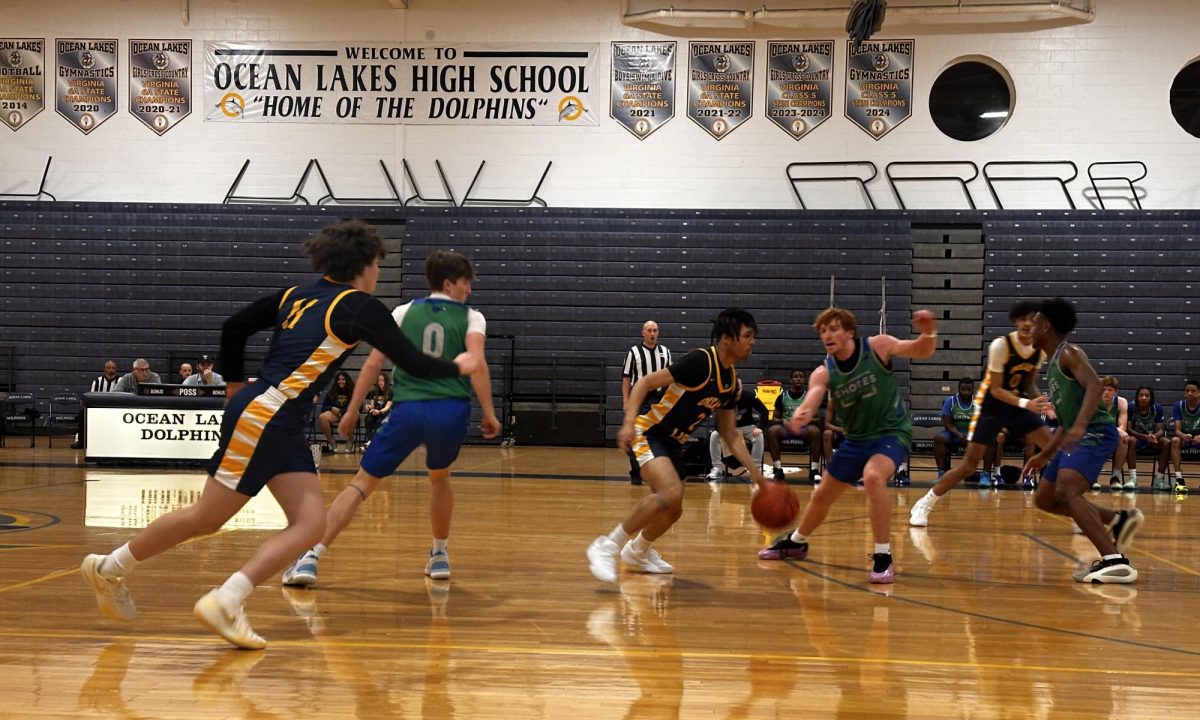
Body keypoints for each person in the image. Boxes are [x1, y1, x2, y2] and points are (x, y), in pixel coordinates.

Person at [79, 219, 478, 650]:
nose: (379, 273)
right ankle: (153, 578)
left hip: (276, 418)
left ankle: (188, 587)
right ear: (364, 264)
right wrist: (459, 366)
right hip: (269, 417)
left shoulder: (296, 294)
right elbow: (412, 362)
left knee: (309, 524)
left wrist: (234, 389)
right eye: (378, 264)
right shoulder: (361, 306)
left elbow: (234, 328)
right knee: (208, 516)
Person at [283, 249, 500, 587]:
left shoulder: (402, 313)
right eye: (466, 283)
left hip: (408, 410)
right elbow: (478, 363)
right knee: (440, 479)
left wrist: (353, 409)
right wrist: (488, 412)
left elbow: (373, 364)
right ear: (449, 283)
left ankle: (311, 557)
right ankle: (439, 554)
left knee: (361, 484)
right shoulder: (473, 318)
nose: (469, 290)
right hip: (450, 411)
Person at [758, 306, 937, 584]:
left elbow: (921, 350)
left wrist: (928, 332)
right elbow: (814, 395)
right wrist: (803, 411)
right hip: (857, 439)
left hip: (891, 432)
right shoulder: (824, 371)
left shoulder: (878, 346)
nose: (827, 335)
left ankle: (883, 555)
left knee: (874, 477)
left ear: (850, 331)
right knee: (821, 497)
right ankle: (797, 542)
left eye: (833, 329)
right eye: (822, 331)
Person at [588, 308, 761, 583]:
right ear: (727, 339)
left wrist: (756, 473)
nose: (753, 342)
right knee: (670, 492)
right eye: (748, 336)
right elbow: (644, 382)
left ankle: (639, 551)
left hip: (672, 442)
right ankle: (607, 546)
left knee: (674, 507)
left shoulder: (729, 380)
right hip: (650, 431)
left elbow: (729, 432)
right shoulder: (700, 361)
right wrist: (628, 421)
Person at [1021, 297, 1142, 584]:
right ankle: (1117, 520)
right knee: (1045, 498)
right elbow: (1063, 424)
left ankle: (1114, 561)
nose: (1030, 328)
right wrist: (1044, 454)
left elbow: (1095, 385)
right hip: (1077, 432)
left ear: (1046, 326)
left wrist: (1080, 425)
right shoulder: (1051, 366)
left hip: (1096, 431)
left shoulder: (1068, 354)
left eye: (1035, 323)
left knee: (1067, 490)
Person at [909, 301, 1054, 527]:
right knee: (968, 466)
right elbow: (995, 390)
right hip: (990, 407)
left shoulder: (1040, 350)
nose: (1027, 323)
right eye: (1022, 319)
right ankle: (924, 503)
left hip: (1017, 406)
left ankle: (1074, 507)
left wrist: (1042, 402)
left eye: (1032, 319)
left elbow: (1027, 381)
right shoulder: (1001, 346)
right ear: (1016, 322)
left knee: (1054, 449)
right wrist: (1027, 403)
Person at [621, 320, 672, 485]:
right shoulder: (634, 352)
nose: (652, 333)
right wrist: (626, 401)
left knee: (658, 436)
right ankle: (636, 472)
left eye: (655, 330)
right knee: (634, 436)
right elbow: (626, 378)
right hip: (639, 399)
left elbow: (671, 377)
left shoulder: (665, 352)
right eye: (649, 330)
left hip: (658, 400)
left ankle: (656, 472)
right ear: (643, 333)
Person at [764, 369, 822, 481]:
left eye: (801, 377)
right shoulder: (782, 396)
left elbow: (817, 418)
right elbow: (773, 418)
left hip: (804, 428)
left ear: (805, 380)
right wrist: (783, 421)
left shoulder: (809, 396)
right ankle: (778, 469)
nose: (798, 379)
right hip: (786, 427)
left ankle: (814, 470)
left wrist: (804, 420)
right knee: (772, 431)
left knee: (816, 432)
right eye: (795, 376)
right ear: (791, 380)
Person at [706, 379, 768, 480]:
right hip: (729, 428)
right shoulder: (723, 398)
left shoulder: (749, 396)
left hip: (747, 427)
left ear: (741, 387)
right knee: (714, 436)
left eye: (738, 389)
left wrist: (760, 427)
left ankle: (755, 470)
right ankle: (717, 468)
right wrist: (724, 431)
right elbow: (717, 422)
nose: (736, 392)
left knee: (759, 436)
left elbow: (764, 410)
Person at [1125, 385, 1169, 490]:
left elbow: (1161, 430)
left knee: (1166, 442)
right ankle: (1133, 478)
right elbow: (1129, 429)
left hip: (1152, 439)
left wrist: (1153, 436)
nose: (1144, 398)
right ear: (1137, 397)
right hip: (1138, 438)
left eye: (1147, 395)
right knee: (1130, 440)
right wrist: (1144, 436)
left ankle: (1159, 479)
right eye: (1141, 395)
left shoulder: (1157, 408)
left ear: (1151, 398)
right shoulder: (1131, 407)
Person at [933, 377, 976, 478]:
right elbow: (947, 423)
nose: (966, 392)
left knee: (987, 440)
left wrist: (970, 435)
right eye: (963, 389)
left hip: (972, 434)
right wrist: (958, 434)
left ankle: (984, 474)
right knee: (938, 438)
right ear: (958, 389)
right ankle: (941, 473)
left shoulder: (978, 402)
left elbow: (980, 423)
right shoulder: (950, 401)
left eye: (969, 389)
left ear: (973, 389)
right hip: (954, 433)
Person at [1100, 377, 1130, 491]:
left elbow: (1123, 426)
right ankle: (1092, 478)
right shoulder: (1093, 400)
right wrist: (1117, 430)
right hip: (1095, 433)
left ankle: (1115, 478)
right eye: (1104, 389)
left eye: (1110, 390)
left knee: (1124, 439)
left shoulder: (1121, 402)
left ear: (1115, 392)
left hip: (1110, 434)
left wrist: (1118, 430)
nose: (1106, 392)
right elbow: (1093, 424)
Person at [1170, 379, 1200, 492]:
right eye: (1187, 390)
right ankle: (1179, 479)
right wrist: (1183, 435)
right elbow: (1177, 430)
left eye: (1193, 391)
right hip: (1185, 437)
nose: (1189, 393)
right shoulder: (1179, 405)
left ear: (1199, 393)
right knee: (1175, 440)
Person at [317, 370, 354, 454]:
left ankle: (350, 440)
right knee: (322, 417)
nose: (341, 381)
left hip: (348, 415)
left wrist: (343, 411)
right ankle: (331, 441)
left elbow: (358, 405)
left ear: (347, 380)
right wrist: (331, 408)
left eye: (343, 379)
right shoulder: (331, 392)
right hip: (335, 414)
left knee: (354, 414)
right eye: (339, 379)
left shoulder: (352, 391)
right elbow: (324, 407)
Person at [361, 372, 393, 443]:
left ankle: (375, 442)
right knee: (368, 419)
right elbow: (372, 406)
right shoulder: (373, 392)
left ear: (386, 381)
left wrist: (380, 411)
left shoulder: (390, 392)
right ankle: (370, 441)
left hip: (384, 414)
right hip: (375, 413)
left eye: (382, 380)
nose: (380, 382)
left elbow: (387, 407)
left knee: (379, 422)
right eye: (379, 380)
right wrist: (368, 407)